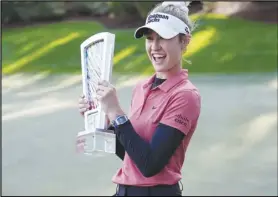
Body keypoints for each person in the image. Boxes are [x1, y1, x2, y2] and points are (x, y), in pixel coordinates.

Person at [78, 1, 201, 196]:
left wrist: (117, 113)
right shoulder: (141, 88)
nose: (155, 47)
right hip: (125, 190)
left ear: (184, 41)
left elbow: (150, 164)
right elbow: (131, 155)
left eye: (163, 38)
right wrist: (106, 118)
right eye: (150, 38)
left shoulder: (185, 95)